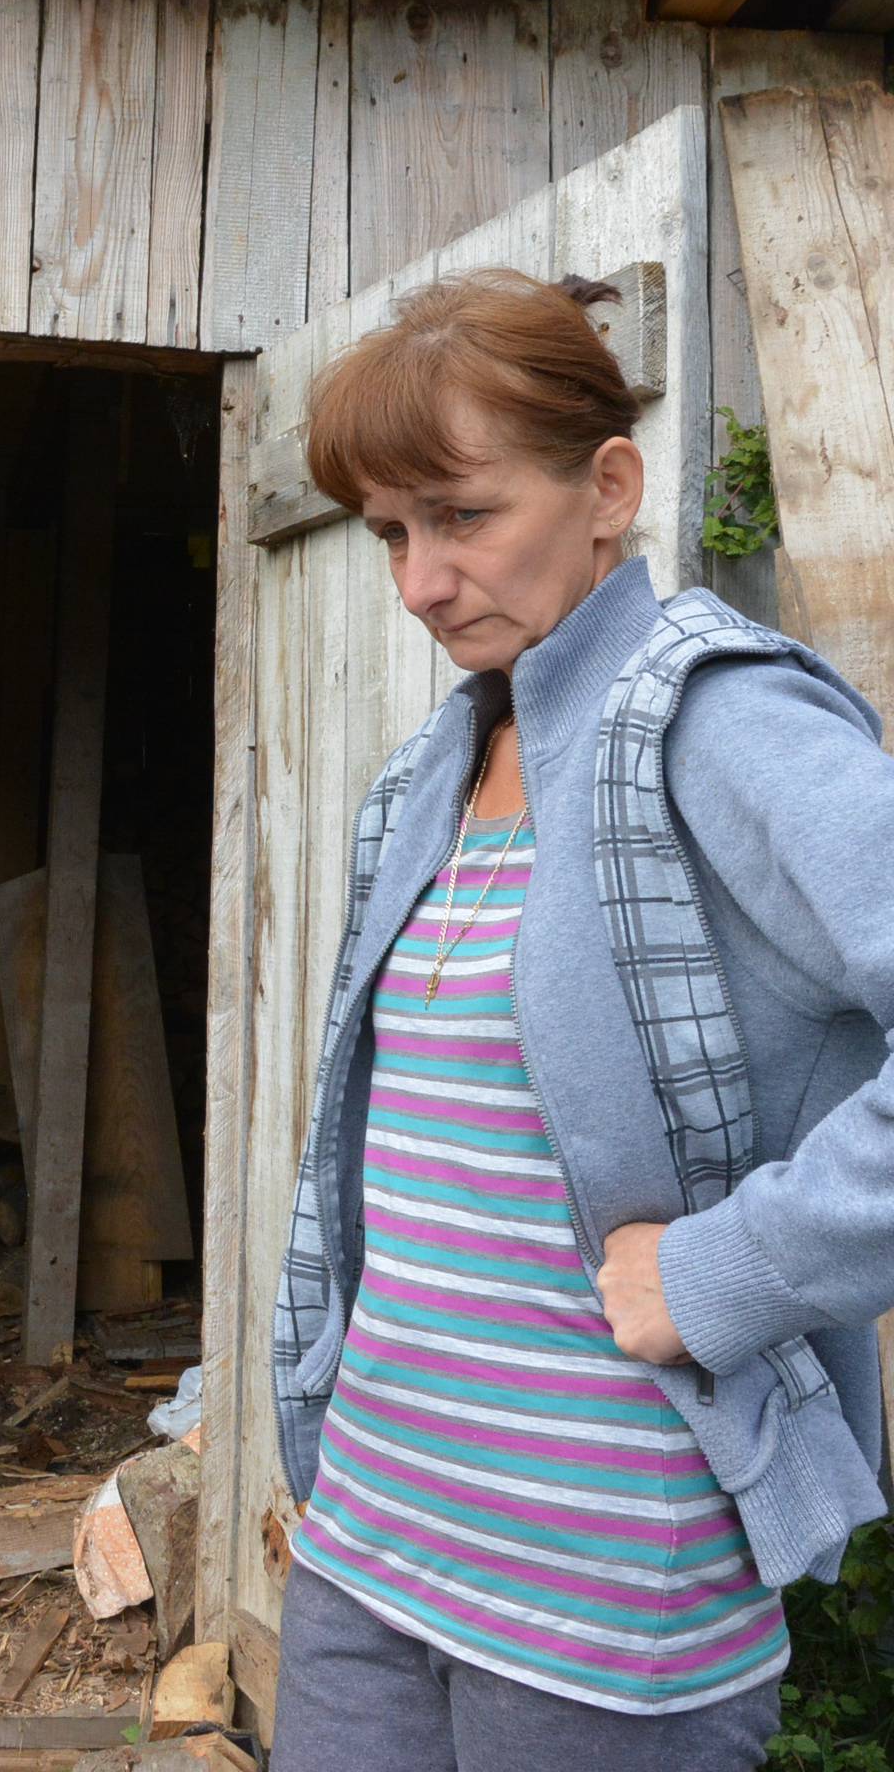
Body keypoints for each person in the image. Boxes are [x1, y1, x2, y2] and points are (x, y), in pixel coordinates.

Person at [264, 267, 894, 1770]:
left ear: (608, 487)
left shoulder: (719, 725)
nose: (420, 580)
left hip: (604, 1600)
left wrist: (729, 1265)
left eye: (463, 516)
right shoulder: (442, 764)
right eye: (390, 533)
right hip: (369, 1541)